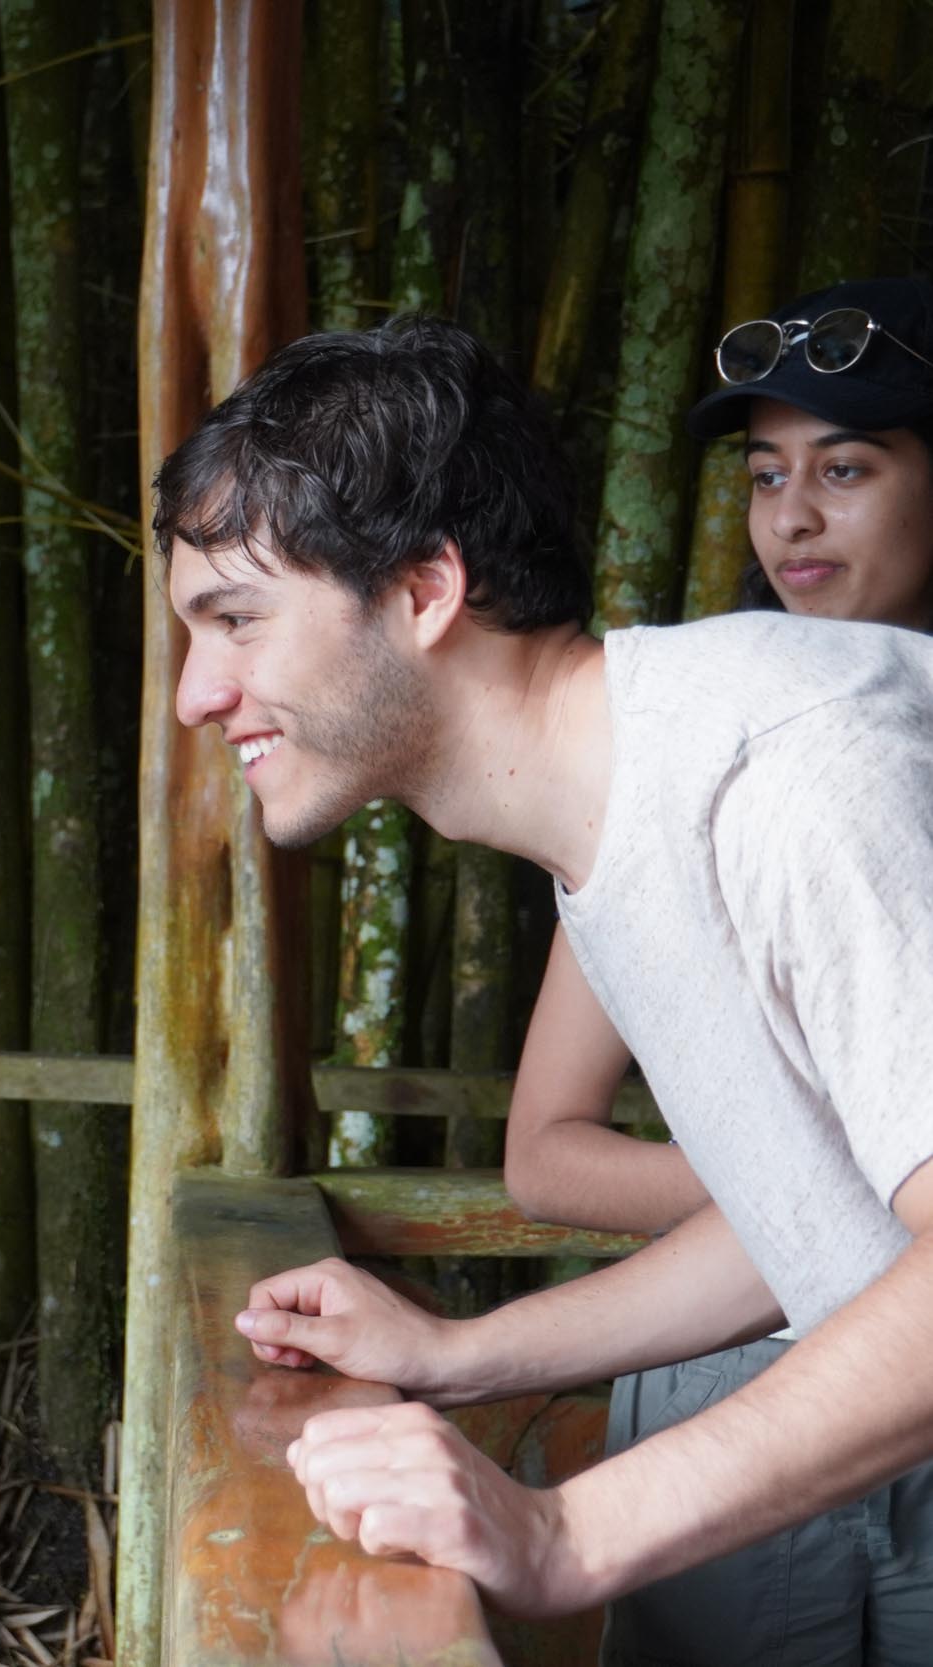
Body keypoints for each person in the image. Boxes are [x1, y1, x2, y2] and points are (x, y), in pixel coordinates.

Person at [154, 306, 933, 1639]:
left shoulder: (796, 776)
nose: (195, 695)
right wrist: (457, 1355)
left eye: (236, 620)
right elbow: (817, 1219)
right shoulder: (620, 812)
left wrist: (570, 1529)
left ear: (422, 592)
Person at [497, 277, 933, 1663]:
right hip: (732, 1375)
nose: (791, 516)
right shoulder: (690, 763)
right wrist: (823, 1184)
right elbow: (546, 1151)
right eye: (765, 474)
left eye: (846, 468)